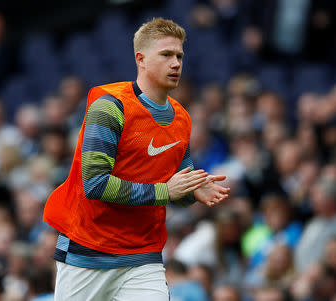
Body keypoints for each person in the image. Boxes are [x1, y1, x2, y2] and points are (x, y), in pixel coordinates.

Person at [43, 17, 230, 300]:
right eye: (166, 55)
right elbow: (95, 184)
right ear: (140, 59)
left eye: (179, 55)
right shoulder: (110, 106)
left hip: (143, 255)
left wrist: (192, 190)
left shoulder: (182, 118)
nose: (176, 63)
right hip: (88, 251)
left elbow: (176, 187)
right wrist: (166, 191)